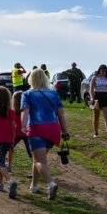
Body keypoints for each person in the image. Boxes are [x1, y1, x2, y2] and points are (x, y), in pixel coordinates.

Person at [21, 69, 70, 200]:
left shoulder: (27, 94)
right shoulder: (54, 93)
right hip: (53, 129)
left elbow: (25, 111)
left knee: (38, 160)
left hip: (37, 128)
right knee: (39, 159)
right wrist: (64, 131)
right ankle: (34, 186)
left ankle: (51, 183)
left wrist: (22, 126)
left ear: (31, 79)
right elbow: (61, 114)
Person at [8, 90, 33, 178]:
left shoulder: (13, 111)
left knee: (11, 148)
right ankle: (35, 169)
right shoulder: (26, 110)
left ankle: (9, 166)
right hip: (26, 132)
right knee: (30, 151)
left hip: (16, 132)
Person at [89, 64, 107, 139]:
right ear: (99, 70)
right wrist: (91, 98)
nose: (104, 72)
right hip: (97, 97)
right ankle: (96, 132)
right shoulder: (94, 78)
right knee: (96, 116)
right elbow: (91, 89)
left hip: (106, 97)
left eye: (105, 71)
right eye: (102, 70)